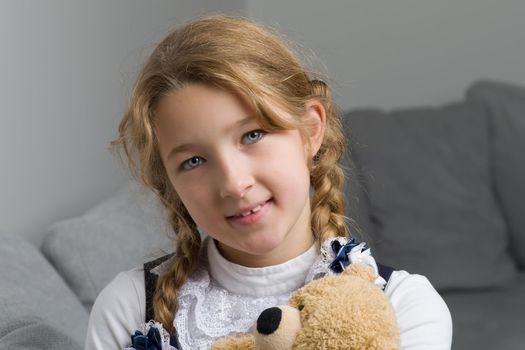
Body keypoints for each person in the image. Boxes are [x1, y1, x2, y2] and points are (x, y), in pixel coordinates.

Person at [85, 15, 452, 350]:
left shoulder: (406, 307)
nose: (233, 183)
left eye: (252, 135)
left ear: (310, 131)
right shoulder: (128, 309)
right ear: (169, 183)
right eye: (193, 161)